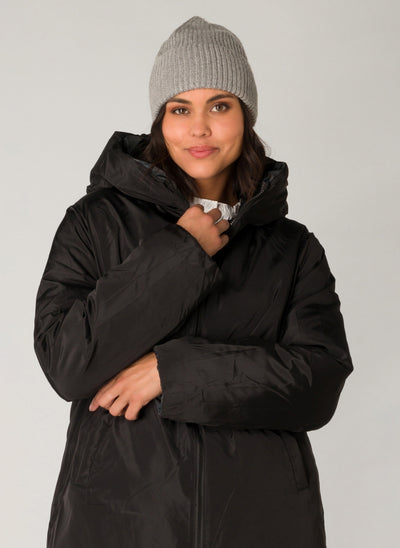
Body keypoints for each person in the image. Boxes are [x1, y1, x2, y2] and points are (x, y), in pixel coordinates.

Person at [34, 15, 354, 548]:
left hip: (261, 522)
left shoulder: (293, 248)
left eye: (219, 106)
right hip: (119, 521)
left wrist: (175, 371)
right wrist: (182, 252)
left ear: (246, 116)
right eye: (180, 109)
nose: (199, 128)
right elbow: (67, 364)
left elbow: (319, 384)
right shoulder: (93, 223)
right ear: (160, 120)